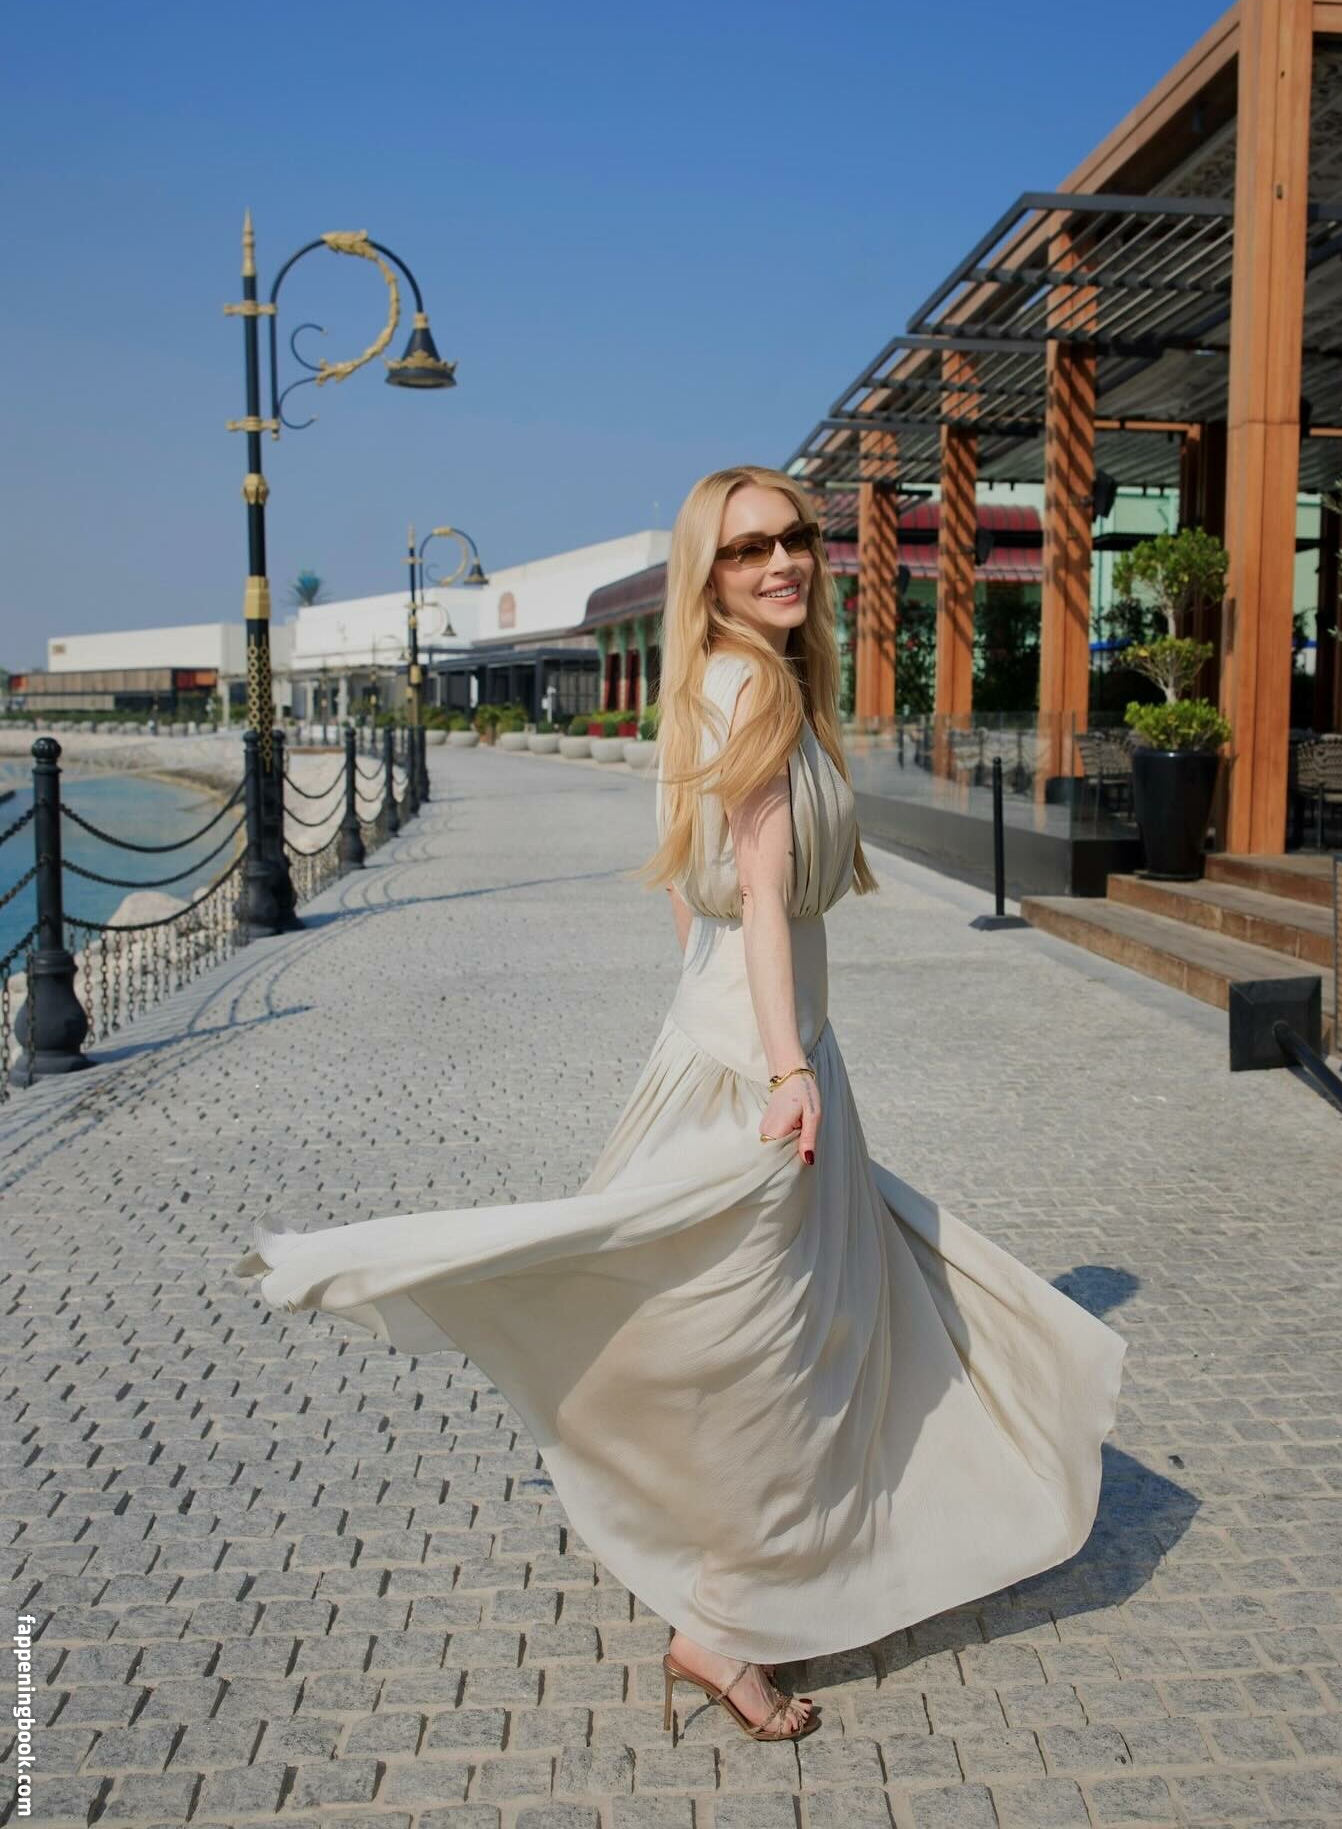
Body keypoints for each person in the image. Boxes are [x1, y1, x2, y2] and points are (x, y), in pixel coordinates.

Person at [235, 464, 1126, 1744]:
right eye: (749, 548)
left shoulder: (708, 685)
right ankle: (723, 1628)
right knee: (777, 1343)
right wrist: (786, 1066)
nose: (783, 562)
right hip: (767, 1060)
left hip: (734, 1038)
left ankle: (730, 1575)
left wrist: (744, 1033)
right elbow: (756, 896)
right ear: (707, 575)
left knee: (762, 1308)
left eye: (795, 538)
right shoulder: (757, 688)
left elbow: (680, 889)